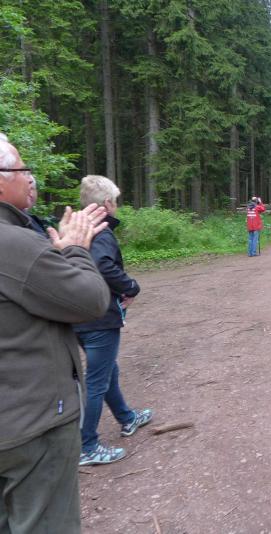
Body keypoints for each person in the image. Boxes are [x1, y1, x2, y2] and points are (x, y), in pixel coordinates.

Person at [0, 134, 110, 533]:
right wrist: (75, 249)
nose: (31, 178)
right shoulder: (13, 243)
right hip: (30, 426)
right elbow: (90, 300)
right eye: (22, 169)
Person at [73, 175, 152, 466]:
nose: (116, 205)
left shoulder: (76, 229)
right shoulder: (101, 231)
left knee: (107, 370)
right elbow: (103, 265)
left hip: (77, 315)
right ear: (107, 203)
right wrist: (130, 287)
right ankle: (87, 445)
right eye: (115, 201)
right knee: (97, 380)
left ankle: (126, 417)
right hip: (98, 317)